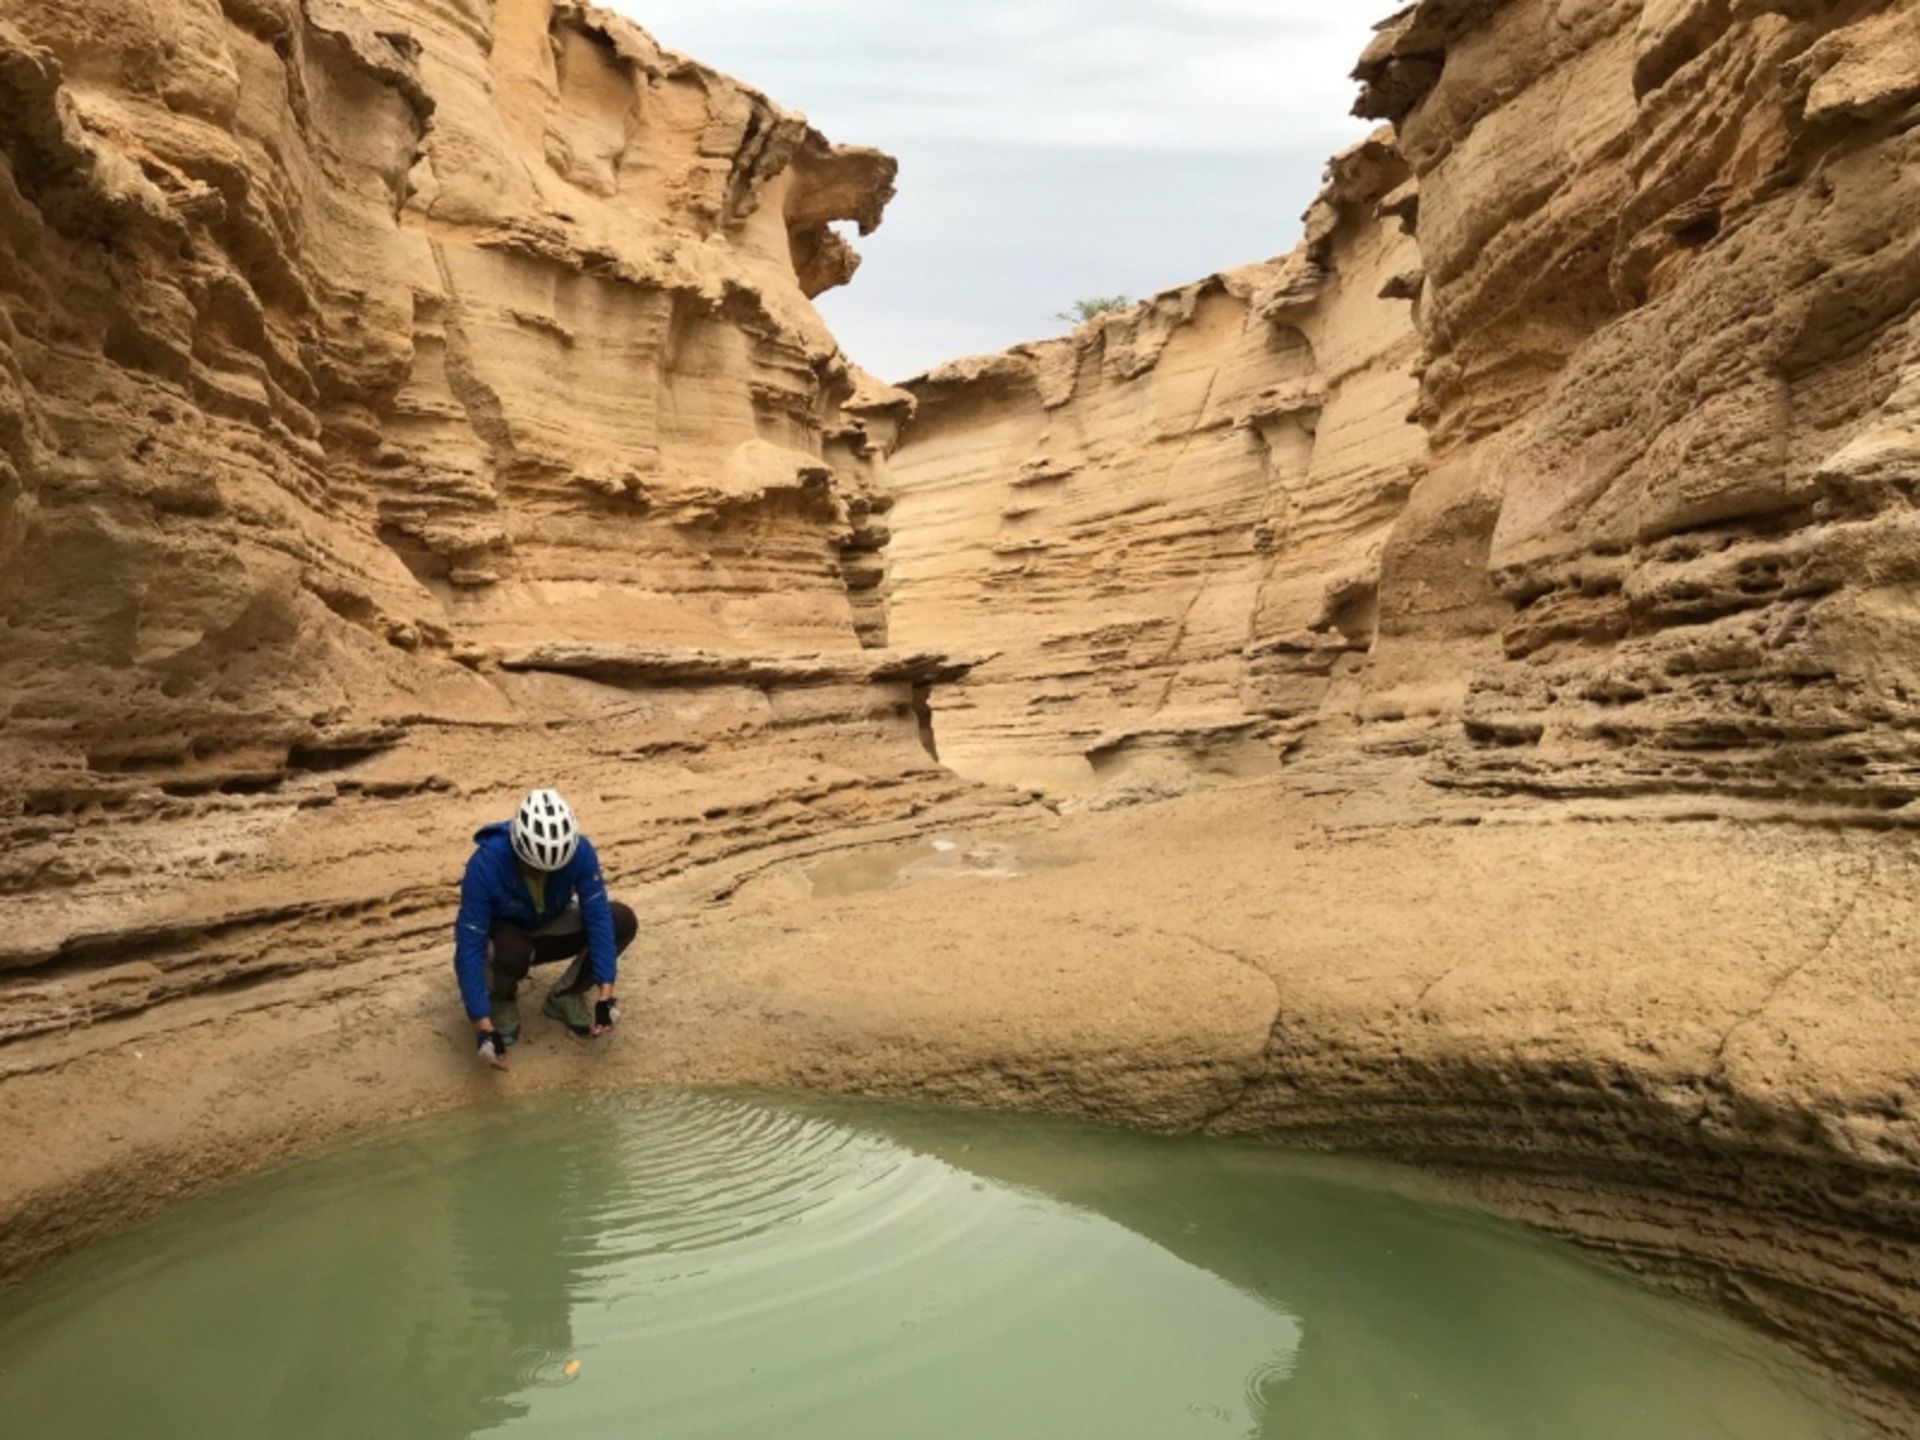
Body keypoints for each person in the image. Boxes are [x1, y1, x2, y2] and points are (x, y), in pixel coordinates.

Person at [453, 788, 637, 1070]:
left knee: (620, 921)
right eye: (534, 867)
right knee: (509, 951)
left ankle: (566, 995)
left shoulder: (580, 851)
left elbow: (598, 916)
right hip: (508, 938)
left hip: (551, 923)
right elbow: (468, 945)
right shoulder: (485, 864)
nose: (544, 875)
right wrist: (482, 1026)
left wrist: (605, 994)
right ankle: (502, 999)